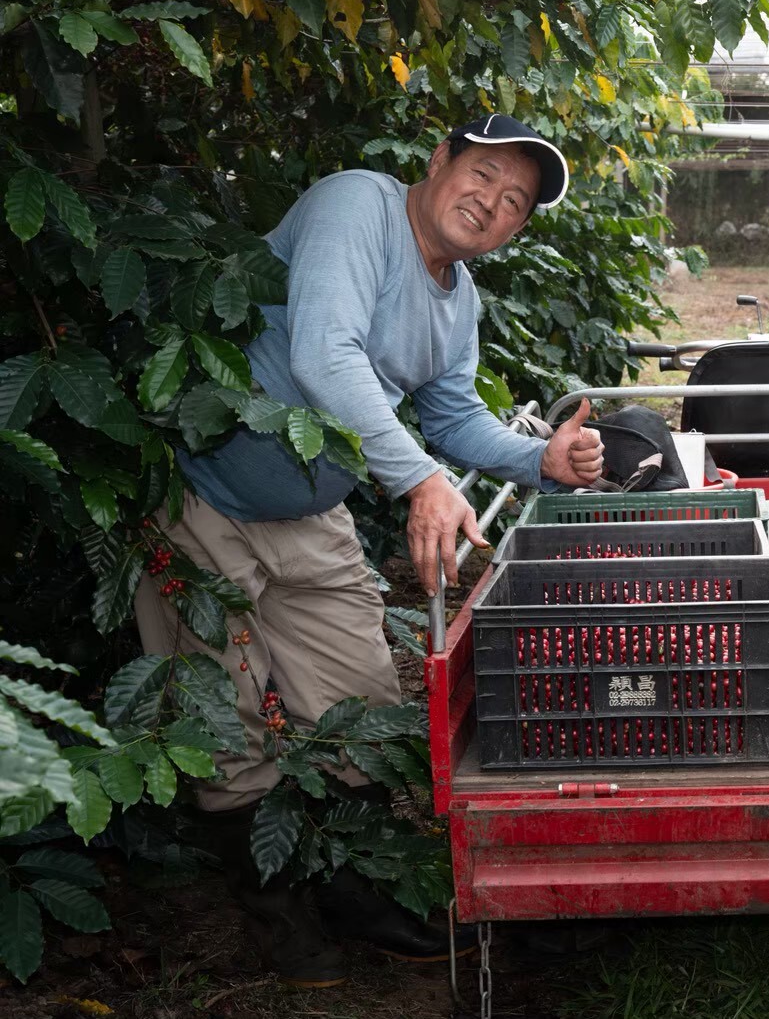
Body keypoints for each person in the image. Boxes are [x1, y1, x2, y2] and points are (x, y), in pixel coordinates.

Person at [134, 115, 605, 987]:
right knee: (221, 717)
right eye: (485, 176)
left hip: (315, 514)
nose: (492, 204)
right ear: (439, 161)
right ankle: (276, 919)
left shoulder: (459, 298)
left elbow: (454, 417)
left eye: (515, 204)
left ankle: (359, 896)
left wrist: (537, 459)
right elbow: (323, 352)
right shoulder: (360, 206)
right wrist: (422, 481)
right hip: (204, 499)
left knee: (361, 702)